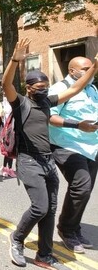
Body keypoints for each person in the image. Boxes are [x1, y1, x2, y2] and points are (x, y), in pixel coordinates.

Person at [2, 38, 97, 270]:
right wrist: (15, 60)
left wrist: (95, 65)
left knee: (50, 210)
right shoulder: (21, 103)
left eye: (45, 85)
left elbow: (74, 88)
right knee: (40, 207)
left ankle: (45, 255)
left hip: (47, 162)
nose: (43, 89)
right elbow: (6, 84)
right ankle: (17, 237)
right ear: (28, 87)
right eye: (38, 86)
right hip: (28, 161)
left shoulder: (47, 102)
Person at [48, 56, 98, 254]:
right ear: (72, 72)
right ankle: (66, 229)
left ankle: (74, 227)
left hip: (91, 146)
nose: (91, 72)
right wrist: (77, 125)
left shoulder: (92, 89)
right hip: (65, 144)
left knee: (85, 191)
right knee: (81, 186)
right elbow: (49, 116)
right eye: (86, 69)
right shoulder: (59, 89)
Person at [0, 93, 16, 178]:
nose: (6, 95)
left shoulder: (13, 103)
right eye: (4, 94)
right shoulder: (0, 104)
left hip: (12, 128)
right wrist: (2, 110)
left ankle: (10, 169)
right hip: (4, 128)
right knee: (6, 149)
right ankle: (4, 168)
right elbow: (1, 114)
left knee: (11, 148)